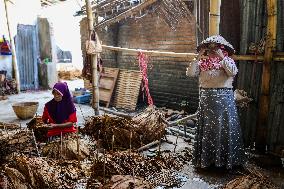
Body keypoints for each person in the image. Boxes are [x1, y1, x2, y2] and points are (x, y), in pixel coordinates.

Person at [186, 35, 245, 169]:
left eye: (216, 48)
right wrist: (197, 57)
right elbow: (190, 73)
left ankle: (225, 162)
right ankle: (207, 161)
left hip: (224, 101)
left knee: (224, 130)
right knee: (208, 131)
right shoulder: (201, 63)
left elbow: (233, 72)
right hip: (207, 101)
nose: (212, 50)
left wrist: (222, 57)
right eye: (210, 48)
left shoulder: (227, 61)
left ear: (222, 49)